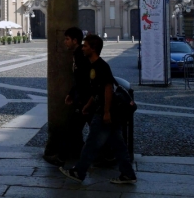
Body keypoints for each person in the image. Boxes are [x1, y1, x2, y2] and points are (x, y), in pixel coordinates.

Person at [60, 34, 137, 185]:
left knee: (91, 143)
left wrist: (106, 112)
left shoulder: (100, 66)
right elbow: (97, 90)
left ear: (93, 49)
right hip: (106, 110)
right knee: (118, 144)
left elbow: (108, 89)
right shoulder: (93, 66)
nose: (83, 48)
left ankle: (79, 171)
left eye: (86, 46)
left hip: (105, 111)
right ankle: (128, 174)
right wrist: (88, 105)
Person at [44, 27, 88, 167]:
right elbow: (78, 78)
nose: (65, 42)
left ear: (75, 40)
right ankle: (99, 155)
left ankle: (62, 158)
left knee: (72, 129)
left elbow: (83, 79)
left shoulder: (81, 55)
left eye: (67, 39)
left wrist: (79, 97)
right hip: (83, 98)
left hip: (85, 100)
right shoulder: (77, 54)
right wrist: (71, 93)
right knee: (83, 130)